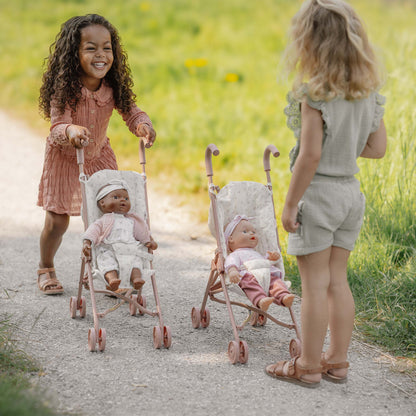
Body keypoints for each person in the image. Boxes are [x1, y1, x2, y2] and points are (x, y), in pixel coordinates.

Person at [265, 0, 387, 387]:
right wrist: (346, 148)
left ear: (310, 44)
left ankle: (307, 366)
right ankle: (338, 361)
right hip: (351, 194)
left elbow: (311, 156)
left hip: (317, 196)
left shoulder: (314, 95)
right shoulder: (368, 93)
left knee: (314, 285)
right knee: (338, 281)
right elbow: (378, 148)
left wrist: (288, 204)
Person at [37, 14, 156, 294]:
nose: (100, 55)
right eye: (91, 48)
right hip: (65, 160)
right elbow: (57, 126)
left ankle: (107, 269)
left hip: (99, 157)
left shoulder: (113, 86)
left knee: (108, 217)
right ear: (73, 54)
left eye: (107, 48)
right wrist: (70, 131)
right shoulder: (64, 88)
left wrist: (142, 124)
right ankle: (46, 267)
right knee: (57, 221)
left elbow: (131, 110)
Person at [82, 180, 157, 292]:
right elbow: (93, 231)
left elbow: (142, 232)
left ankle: (136, 279)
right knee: (107, 262)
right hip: (110, 250)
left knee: (136, 262)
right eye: (116, 197)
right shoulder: (103, 220)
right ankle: (112, 280)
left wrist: (149, 241)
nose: (123, 200)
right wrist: (87, 243)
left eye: (126, 199)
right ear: (102, 203)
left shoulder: (132, 220)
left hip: (130, 250)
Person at [224, 215, 295, 311]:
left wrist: (272, 258)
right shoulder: (235, 254)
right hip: (248, 276)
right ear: (231, 239)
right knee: (250, 286)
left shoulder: (256, 253)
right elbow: (231, 263)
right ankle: (260, 300)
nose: (251, 234)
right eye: (245, 232)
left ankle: (283, 296)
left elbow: (265, 262)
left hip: (267, 274)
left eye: (253, 232)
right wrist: (232, 271)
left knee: (276, 283)